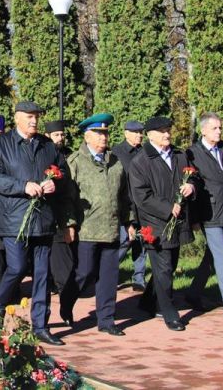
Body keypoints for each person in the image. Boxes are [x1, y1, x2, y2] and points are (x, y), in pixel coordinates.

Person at [0, 101, 73, 346]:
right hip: (14, 218)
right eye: (29, 117)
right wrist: (22, 187)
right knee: (17, 266)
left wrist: (56, 183)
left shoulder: (47, 145)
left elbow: (63, 172)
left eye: (36, 117)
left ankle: (41, 326)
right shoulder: (0, 144)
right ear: (17, 118)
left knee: (43, 273)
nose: (34, 121)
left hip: (43, 218)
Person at [60, 113, 132, 336]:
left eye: (106, 133)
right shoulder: (75, 162)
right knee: (83, 273)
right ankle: (66, 302)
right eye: (99, 134)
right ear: (87, 136)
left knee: (109, 277)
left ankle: (107, 319)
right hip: (87, 229)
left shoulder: (115, 162)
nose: (104, 137)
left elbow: (124, 197)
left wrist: (129, 221)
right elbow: (67, 198)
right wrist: (69, 224)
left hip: (110, 229)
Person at [127, 116, 196, 331]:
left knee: (169, 265)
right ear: (150, 135)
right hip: (155, 224)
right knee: (164, 269)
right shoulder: (140, 162)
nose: (167, 134)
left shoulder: (180, 155)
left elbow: (193, 176)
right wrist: (167, 208)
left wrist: (191, 187)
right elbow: (141, 196)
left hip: (177, 221)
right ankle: (169, 312)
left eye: (168, 129)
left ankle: (147, 301)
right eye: (161, 131)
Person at [185, 112, 223, 321]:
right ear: (203, 130)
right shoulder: (192, 153)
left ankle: (193, 293)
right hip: (208, 213)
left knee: (212, 256)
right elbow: (190, 185)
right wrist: (192, 217)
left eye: (220, 128)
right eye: (214, 128)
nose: (219, 131)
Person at [114, 120, 148, 291]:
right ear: (126, 133)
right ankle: (108, 273)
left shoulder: (145, 152)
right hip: (125, 205)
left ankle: (139, 278)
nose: (139, 135)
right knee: (125, 240)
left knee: (142, 242)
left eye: (141, 132)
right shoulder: (116, 152)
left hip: (143, 205)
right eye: (136, 132)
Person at [45, 119, 75, 295]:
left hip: (65, 204)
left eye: (62, 134)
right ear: (48, 136)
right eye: (56, 135)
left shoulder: (69, 154)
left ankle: (61, 282)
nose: (60, 138)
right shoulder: (45, 153)